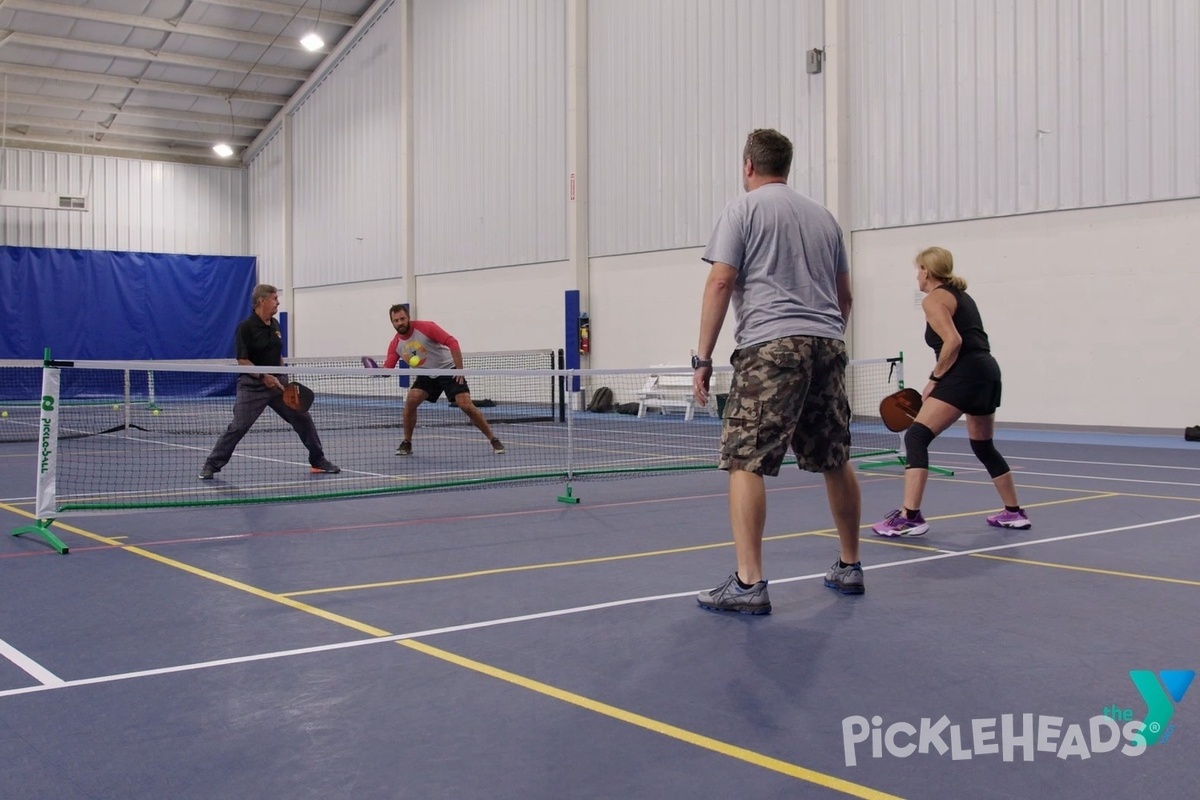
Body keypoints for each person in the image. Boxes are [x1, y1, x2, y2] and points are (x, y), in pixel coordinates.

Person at [692, 128, 863, 615]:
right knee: (833, 457)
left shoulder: (742, 210)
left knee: (746, 460)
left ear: (748, 165)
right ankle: (849, 564)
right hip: (828, 342)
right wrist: (823, 341)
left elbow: (721, 280)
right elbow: (845, 296)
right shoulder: (824, 218)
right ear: (787, 166)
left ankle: (749, 584)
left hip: (770, 346)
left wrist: (702, 358)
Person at [870, 246, 1030, 537]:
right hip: (988, 372)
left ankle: (910, 517)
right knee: (983, 445)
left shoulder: (933, 299)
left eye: (917, 269)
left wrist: (934, 379)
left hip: (964, 373)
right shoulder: (962, 297)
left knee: (917, 435)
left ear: (926, 271)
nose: (916, 275)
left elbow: (953, 342)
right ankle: (1014, 512)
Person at [200, 284, 339, 480]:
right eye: (274, 298)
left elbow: (277, 355)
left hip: (278, 385)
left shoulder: (275, 324)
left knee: (303, 419)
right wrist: (264, 376)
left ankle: (318, 459)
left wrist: (285, 378)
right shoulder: (245, 328)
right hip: (252, 386)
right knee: (238, 427)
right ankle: (211, 464)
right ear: (261, 301)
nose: (278, 302)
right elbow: (243, 360)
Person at [384, 304, 505, 456]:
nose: (400, 322)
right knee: (411, 401)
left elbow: (452, 342)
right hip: (426, 375)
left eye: (402, 318)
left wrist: (460, 369)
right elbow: (387, 368)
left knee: (465, 405)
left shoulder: (426, 327)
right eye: (396, 320)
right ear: (392, 323)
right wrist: (378, 371)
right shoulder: (395, 344)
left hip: (449, 368)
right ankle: (407, 443)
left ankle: (493, 439)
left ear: (408, 317)